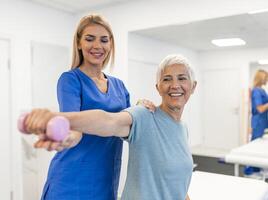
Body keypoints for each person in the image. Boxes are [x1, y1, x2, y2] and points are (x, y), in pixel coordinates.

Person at [24, 54, 197, 200]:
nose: (175, 85)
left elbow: (177, 184)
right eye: (167, 79)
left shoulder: (183, 128)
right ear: (158, 87)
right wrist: (54, 117)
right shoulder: (145, 116)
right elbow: (108, 120)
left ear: (193, 86)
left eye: (182, 78)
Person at [35, 14, 155, 200]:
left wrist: (139, 109)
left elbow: (127, 128)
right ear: (79, 43)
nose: (97, 46)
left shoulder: (119, 86)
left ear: (111, 44)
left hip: (106, 179)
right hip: (71, 180)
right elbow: (74, 128)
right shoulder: (71, 80)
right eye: (90, 39)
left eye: (104, 40)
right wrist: (64, 138)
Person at [244, 69, 268, 175]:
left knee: (260, 146)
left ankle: (257, 168)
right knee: (255, 146)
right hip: (258, 122)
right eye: (266, 77)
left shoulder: (261, 90)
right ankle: (251, 169)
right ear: (261, 78)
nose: (267, 80)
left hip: (263, 122)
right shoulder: (256, 91)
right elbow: (260, 109)